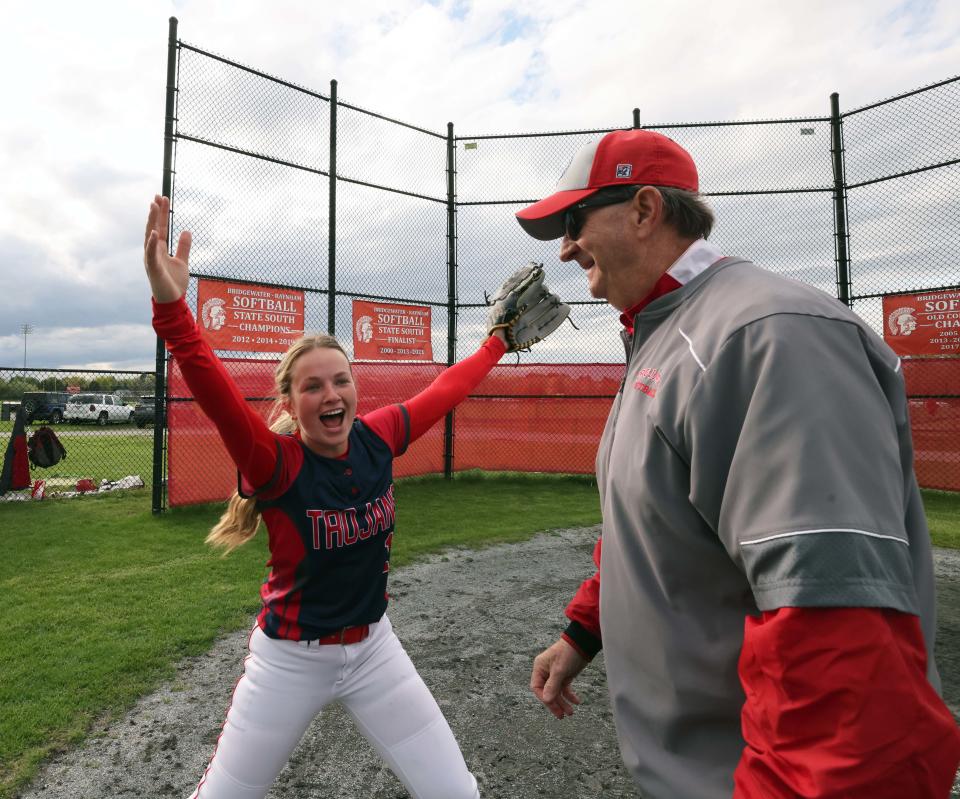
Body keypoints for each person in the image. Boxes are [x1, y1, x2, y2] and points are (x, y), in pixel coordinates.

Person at [517, 130, 960, 798]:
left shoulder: (766, 335)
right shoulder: (670, 331)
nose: (566, 246)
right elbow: (654, 519)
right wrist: (584, 629)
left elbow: (842, 664)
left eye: (576, 220)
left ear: (644, 210)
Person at [143, 195, 511, 799]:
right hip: (289, 659)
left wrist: (496, 341)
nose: (331, 392)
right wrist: (171, 305)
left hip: (373, 649)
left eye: (341, 379)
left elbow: (447, 389)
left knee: (457, 792)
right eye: (312, 385)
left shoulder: (377, 436)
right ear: (289, 405)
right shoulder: (275, 463)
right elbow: (209, 383)